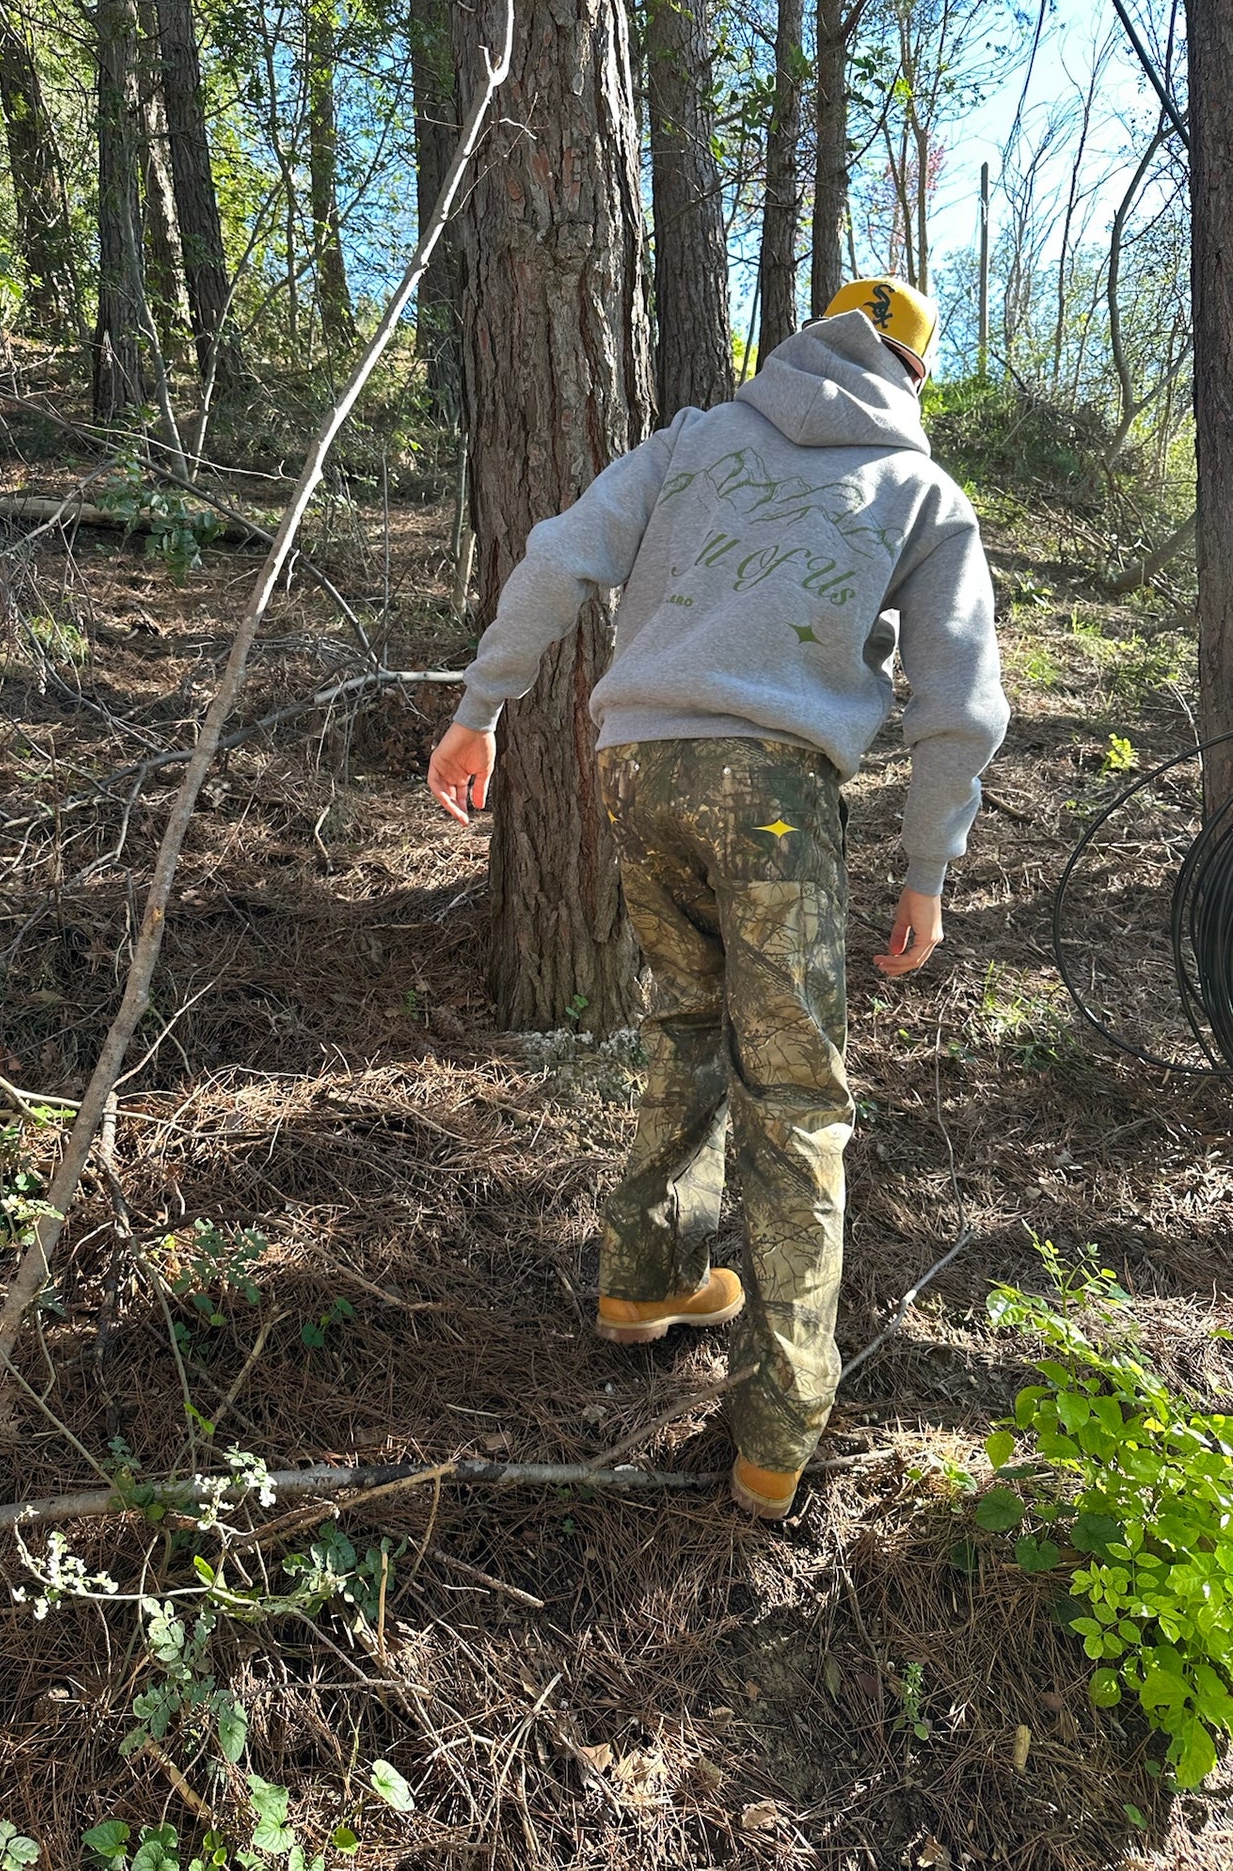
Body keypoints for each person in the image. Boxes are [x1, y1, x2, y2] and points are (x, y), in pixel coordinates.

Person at [426, 279, 1009, 1519]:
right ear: (914, 378)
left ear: (802, 346)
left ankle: (648, 1274)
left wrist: (480, 710)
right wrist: (925, 872)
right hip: (778, 792)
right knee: (795, 1095)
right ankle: (776, 1432)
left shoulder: (693, 438)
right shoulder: (918, 493)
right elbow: (961, 704)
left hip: (634, 768)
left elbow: (556, 555)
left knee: (683, 1018)